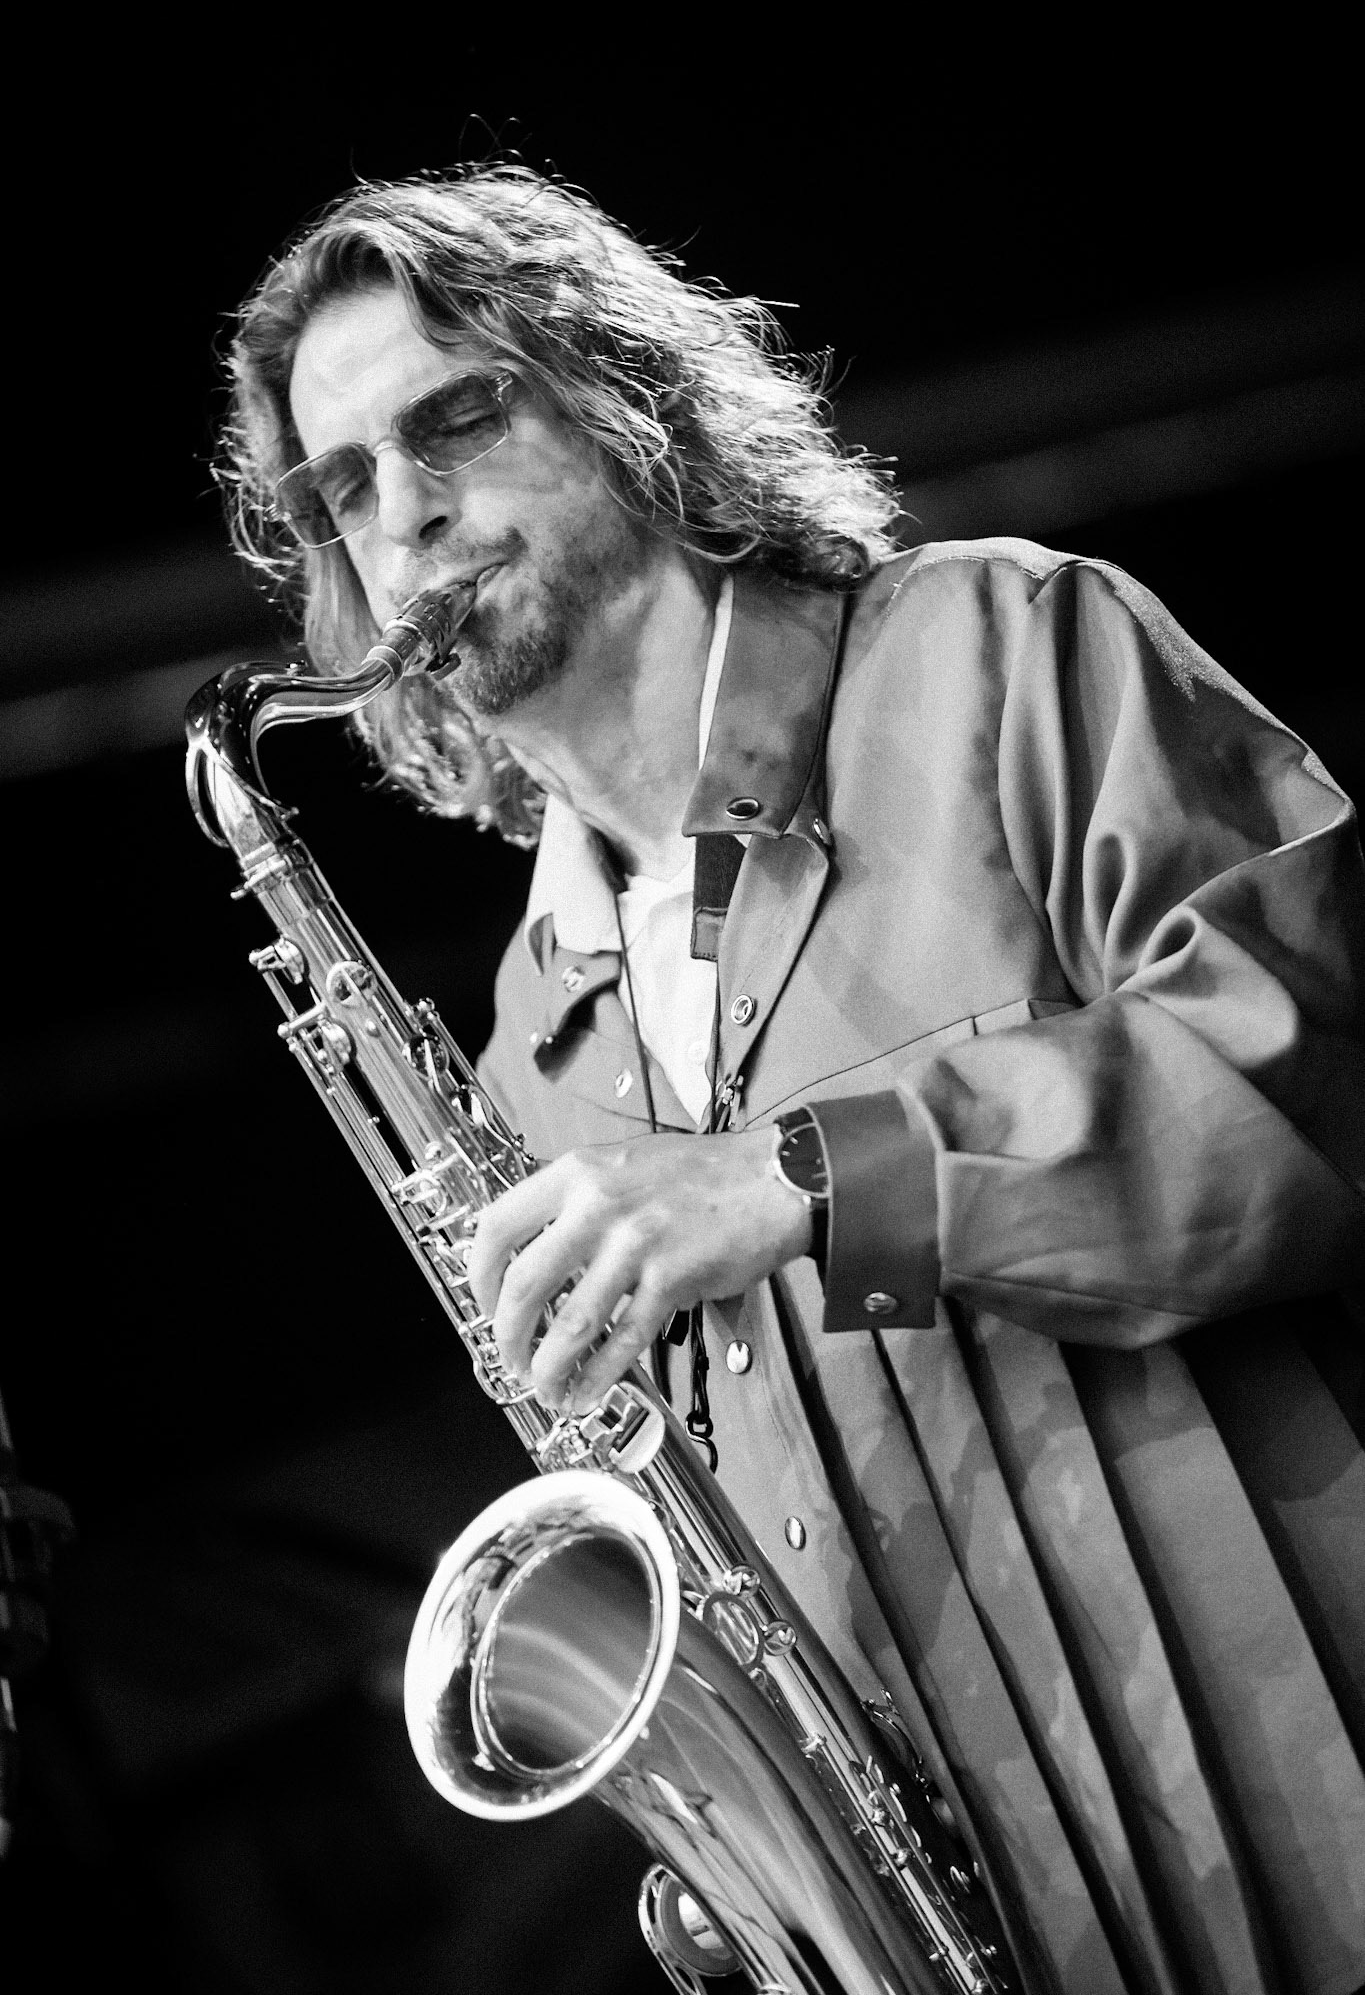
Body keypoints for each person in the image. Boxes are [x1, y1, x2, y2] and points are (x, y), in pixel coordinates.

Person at [222, 167, 1365, 1995]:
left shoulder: (1005, 648)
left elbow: (1306, 1090)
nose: (407, 516)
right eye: (344, 492)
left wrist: (801, 1185)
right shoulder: (529, 1042)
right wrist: (748, 1852)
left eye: (455, 418)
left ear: (629, 405)